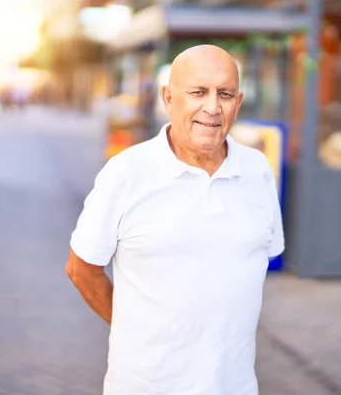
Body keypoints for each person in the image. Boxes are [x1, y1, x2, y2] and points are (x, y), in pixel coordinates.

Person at [66, 45, 284, 395]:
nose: (212, 107)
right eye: (198, 92)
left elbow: (260, 258)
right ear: (168, 98)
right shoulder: (126, 173)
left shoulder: (258, 170)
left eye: (224, 94)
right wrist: (136, 332)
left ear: (238, 103)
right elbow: (81, 269)